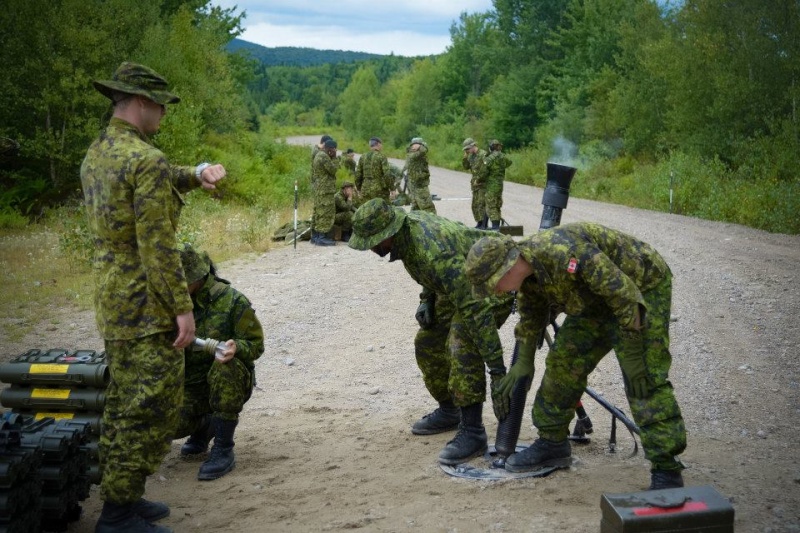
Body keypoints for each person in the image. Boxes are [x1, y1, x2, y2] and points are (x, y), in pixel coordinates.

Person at [81, 61, 226, 533]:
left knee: (124, 399)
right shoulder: (146, 160)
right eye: (161, 105)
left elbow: (147, 180)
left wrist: (195, 173)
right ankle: (119, 513)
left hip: (114, 299)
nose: (164, 114)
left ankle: (126, 496)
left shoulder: (99, 153)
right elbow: (157, 245)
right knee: (152, 406)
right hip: (147, 305)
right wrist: (183, 309)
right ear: (142, 102)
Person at [464, 224, 687, 490]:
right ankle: (552, 443)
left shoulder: (564, 251)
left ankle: (666, 469)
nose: (496, 292)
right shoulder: (529, 274)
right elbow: (532, 313)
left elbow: (623, 294)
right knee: (563, 366)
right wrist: (523, 360)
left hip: (640, 287)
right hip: (595, 301)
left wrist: (634, 353)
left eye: (493, 285)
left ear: (507, 267)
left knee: (643, 378)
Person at [348, 199, 514, 465]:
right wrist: (426, 299)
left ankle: (473, 432)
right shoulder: (407, 236)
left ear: (387, 235)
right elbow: (431, 275)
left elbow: (475, 311)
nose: (370, 248)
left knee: (462, 339)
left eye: (371, 242)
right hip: (459, 280)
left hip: (496, 277)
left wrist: (497, 370)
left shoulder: (431, 249)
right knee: (428, 342)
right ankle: (451, 410)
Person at [175, 244, 264, 481]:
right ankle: (204, 426)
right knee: (168, 424)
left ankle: (223, 448)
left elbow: (256, 344)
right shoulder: (170, 306)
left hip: (227, 382)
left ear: (198, 277)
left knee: (226, 368)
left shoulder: (232, 301)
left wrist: (237, 349)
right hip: (190, 387)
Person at [310, 138, 339, 246]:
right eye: (334, 149)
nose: (335, 151)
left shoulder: (318, 155)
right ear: (331, 149)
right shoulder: (324, 157)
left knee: (318, 211)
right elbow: (333, 170)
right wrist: (335, 158)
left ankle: (316, 236)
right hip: (325, 189)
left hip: (320, 188)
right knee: (325, 212)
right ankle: (321, 237)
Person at [355, 137, 394, 204]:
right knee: (382, 210)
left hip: (365, 188)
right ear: (378, 144)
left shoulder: (363, 157)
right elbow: (387, 174)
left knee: (367, 211)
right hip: (379, 190)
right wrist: (392, 188)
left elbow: (358, 174)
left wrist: (359, 188)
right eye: (381, 144)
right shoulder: (381, 156)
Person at [483, 139, 512, 230]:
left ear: (491, 147)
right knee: (496, 205)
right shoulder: (503, 156)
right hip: (499, 184)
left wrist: (479, 180)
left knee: (491, 205)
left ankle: (495, 228)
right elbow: (509, 162)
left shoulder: (490, 158)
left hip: (491, 184)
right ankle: (494, 226)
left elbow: (484, 169)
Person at [403, 137, 436, 214]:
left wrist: (420, 146)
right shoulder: (411, 155)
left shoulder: (420, 154)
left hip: (419, 185)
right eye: (413, 145)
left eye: (416, 145)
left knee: (422, 208)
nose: (414, 147)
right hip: (415, 186)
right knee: (419, 207)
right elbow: (421, 150)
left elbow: (424, 150)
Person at [461, 138, 489, 229]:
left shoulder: (483, 154)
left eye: (467, 149)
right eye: (465, 150)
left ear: (473, 146)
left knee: (482, 204)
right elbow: (466, 167)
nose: (467, 151)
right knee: (475, 205)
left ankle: (484, 225)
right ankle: (479, 223)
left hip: (483, 184)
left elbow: (486, 170)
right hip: (475, 185)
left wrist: (479, 180)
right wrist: (465, 157)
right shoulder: (470, 156)